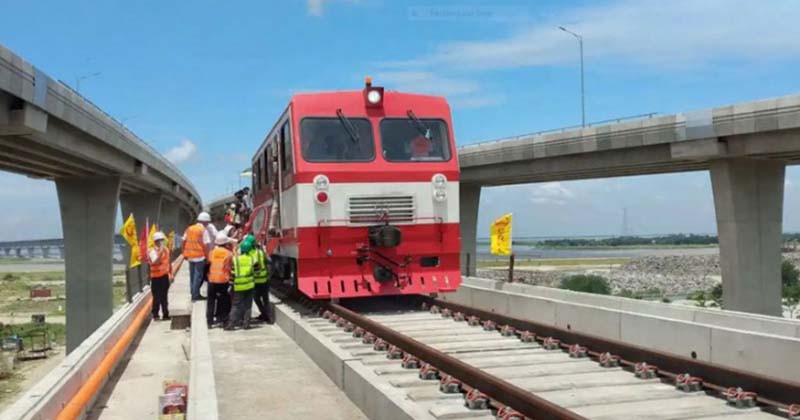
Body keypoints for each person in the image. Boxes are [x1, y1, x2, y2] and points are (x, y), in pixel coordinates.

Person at [225, 240, 257, 330]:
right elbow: (257, 271)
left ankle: (231, 324)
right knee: (248, 305)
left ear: (241, 250)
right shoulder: (252, 259)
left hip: (238, 286)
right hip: (249, 286)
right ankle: (246, 324)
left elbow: (233, 274)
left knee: (236, 305)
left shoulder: (236, 260)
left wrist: (231, 285)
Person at [182, 212, 213, 301]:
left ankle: (193, 292)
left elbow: (183, 241)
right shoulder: (203, 230)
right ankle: (195, 295)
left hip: (190, 256)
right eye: (207, 222)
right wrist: (208, 258)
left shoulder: (189, 229)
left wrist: (184, 252)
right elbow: (206, 245)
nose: (207, 224)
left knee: (192, 277)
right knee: (198, 277)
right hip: (200, 257)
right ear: (204, 222)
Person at [207, 232, 234, 328]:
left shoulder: (211, 253)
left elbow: (207, 264)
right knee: (224, 301)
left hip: (212, 280)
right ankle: (224, 320)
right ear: (226, 243)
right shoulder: (229, 254)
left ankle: (209, 322)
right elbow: (231, 266)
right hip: (223, 280)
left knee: (211, 301)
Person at [245, 235, 271, 323]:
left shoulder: (249, 254)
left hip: (255, 280)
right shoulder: (260, 252)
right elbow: (269, 261)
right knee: (265, 299)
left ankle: (263, 313)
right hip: (264, 279)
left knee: (256, 298)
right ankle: (269, 317)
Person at [148, 231, 172, 320]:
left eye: (162, 240)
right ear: (155, 241)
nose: (162, 242)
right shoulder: (152, 251)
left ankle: (166, 314)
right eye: (160, 240)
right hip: (155, 277)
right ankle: (155, 314)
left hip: (164, 276)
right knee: (156, 297)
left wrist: (171, 274)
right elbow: (155, 262)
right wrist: (160, 253)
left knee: (164, 296)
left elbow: (168, 262)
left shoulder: (166, 249)